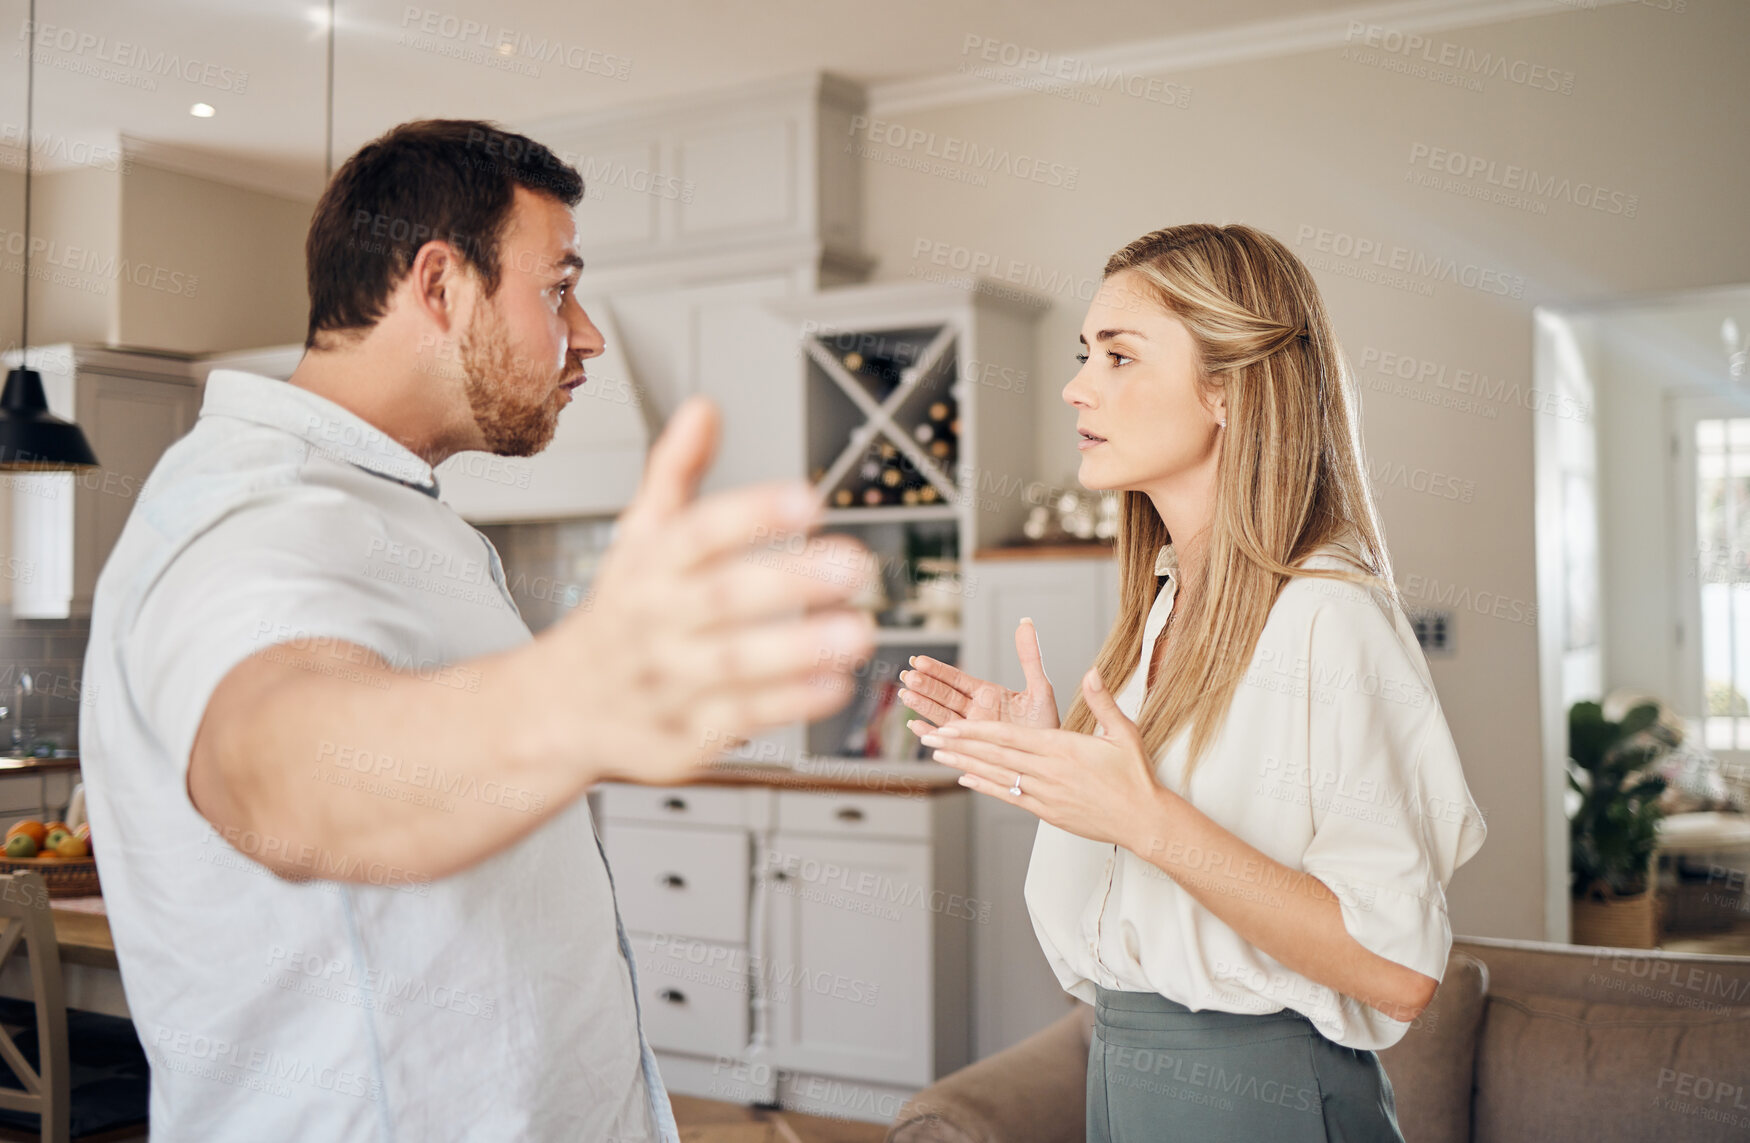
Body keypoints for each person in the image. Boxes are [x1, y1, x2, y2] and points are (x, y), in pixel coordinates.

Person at [78, 119, 874, 1141]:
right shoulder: (260, 514)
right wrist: (575, 694)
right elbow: (278, 771)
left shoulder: (390, 505)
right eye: (557, 288)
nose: (584, 333)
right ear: (440, 286)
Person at [899, 223, 1486, 1142]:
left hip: (1264, 1102)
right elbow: (1146, 875)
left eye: (1119, 356)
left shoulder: (1328, 614)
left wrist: (1144, 817)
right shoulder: (1164, 608)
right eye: (1084, 353)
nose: (1076, 385)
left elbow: (1396, 966)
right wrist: (1053, 774)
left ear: (1227, 389)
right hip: (1126, 1075)